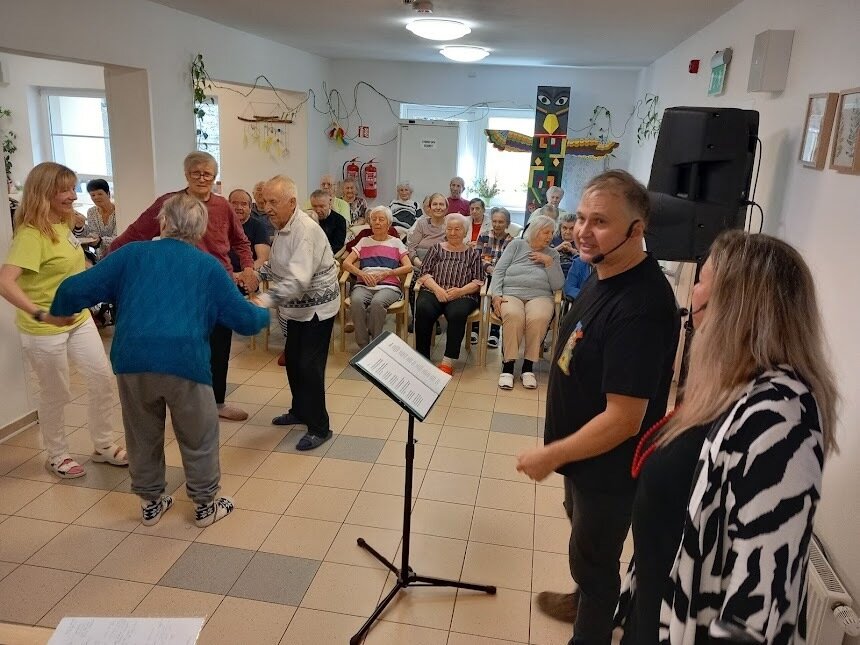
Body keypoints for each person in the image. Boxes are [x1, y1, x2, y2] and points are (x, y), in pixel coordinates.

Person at [615, 231, 838, 645]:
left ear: (734, 303)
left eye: (702, 280)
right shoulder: (730, 384)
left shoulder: (781, 413)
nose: (692, 292)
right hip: (659, 610)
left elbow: (762, 600)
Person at [515, 170, 680, 645]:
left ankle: (590, 625)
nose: (584, 231)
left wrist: (553, 454)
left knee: (596, 565)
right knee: (585, 542)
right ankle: (584, 596)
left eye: (601, 221)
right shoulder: (604, 271)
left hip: (608, 467)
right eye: (582, 217)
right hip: (582, 460)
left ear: (637, 229)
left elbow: (624, 419)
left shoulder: (641, 306)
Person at [51, 193, 270, 527]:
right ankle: (205, 507)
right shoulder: (207, 266)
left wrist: (60, 312)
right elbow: (246, 321)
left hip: (132, 362)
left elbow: (71, 291)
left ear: (164, 222)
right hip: (186, 364)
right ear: (200, 230)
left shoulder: (130, 255)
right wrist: (264, 311)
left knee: (142, 436)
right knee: (198, 436)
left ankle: (151, 503)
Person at [0, 162, 128, 479]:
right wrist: (42, 314)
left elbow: (72, 264)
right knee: (56, 392)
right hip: (44, 326)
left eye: (73, 189)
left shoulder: (61, 224)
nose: (73, 196)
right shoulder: (31, 235)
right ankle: (57, 454)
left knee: (102, 379)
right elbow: (5, 282)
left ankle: (103, 445)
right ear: (44, 193)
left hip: (77, 318)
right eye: (65, 190)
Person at [109, 151, 258, 422]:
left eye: (207, 174)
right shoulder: (169, 203)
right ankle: (183, 404)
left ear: (215, 176)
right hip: (183, 290)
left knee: (219, 348)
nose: (202, 178)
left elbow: (241, 242)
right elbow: (135, 234)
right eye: (196, 173)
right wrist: (112, 260)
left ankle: (216, 402)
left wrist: (248, 267)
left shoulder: (223, 207)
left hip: (219, 287)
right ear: (186, 174)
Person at [262, 175, 340, 451]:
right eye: (264, 201)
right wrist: (255, 274)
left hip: (316, 309)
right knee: (294, 361)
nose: (266, 208)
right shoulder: (283, 226)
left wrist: (263, 300)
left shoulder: (305, 230)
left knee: (309, 366)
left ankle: (320, 427)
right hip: (295, 309)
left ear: (292, 202)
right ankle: (299, 410)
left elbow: (297, 280)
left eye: (273, 202)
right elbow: (278, 265)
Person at [490, 215, 564, 390]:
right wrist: (496, 295)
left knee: (539, 318)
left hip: (540, 296)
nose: (550, 236)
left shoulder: (553, 254)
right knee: (513, 315)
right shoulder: (516, 245)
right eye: (546, 232)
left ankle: (528, 367)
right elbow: (499, 271)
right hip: (512, 293)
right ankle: (508, 366)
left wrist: (548, 263)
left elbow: (558, 285)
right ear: (535, 231)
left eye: (552, 233)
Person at [413, 214, 483, 375]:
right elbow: (424, 273)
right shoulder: (436, 249)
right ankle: (422, 356)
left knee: (457, 313)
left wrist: (460, 291)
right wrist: (437, 289)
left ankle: (448, 360)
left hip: (462, 295)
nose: (452, 233)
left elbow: (478, 281)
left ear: (465, 232)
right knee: (423, 308)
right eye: (449, 229)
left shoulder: (473, 254)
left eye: (457, 229)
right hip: (434, 290)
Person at [341, 205, 412, 348]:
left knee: (377, 303)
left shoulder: (396, 242)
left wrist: (388, 273)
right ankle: (363, 345)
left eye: (381, 219)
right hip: (364, 285)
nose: (377, 222)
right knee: (356, 301)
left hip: (389, 286)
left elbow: (408, 266)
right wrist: (362, 273)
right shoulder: (364, 241)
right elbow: (346, 263)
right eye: (374, 219)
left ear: (389, 223)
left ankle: (375, 343)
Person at [474, 206, 514, 348]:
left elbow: (511, 263)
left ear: (507, 224)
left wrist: (497, 272)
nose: (497, 224)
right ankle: (475, 328)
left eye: (501, 222)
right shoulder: (484, 236)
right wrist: (489, 268)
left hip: (501, 276)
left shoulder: (512, 241)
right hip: (483, 272)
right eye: (494, 221)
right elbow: (477, 257)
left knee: (499, 292)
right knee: (476, 289)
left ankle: (495, 331)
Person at [228, 188, 270, 274]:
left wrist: (243, 274)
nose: (239, 208)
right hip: (223, 274)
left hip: (247, 275)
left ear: (250, 208)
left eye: (244, 204)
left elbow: (263, 259)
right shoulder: (220, 225)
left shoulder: (258, 226)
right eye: (234, 203)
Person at [407, 192, 449, 266]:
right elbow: (411, 248)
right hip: (419, 264)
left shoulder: (450, 226)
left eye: (441, 204)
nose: (438, 207)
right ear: (430, 208)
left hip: (442, 266)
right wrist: (418, 263)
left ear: (446, 208)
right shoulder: (422, 224)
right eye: (435, 204)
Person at [81, 178, 117, 259]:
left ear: (108, 194)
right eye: (92, 195)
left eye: (100, 194)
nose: (96, 197)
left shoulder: (119, 212)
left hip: (118, 252)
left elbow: (118, 238)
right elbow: (93, 234)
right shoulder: (91, 212)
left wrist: (100, 240)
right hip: (100, 256)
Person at [309, 189, 347, 253]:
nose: (318, 210)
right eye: (314, 206)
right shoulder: (307, 219)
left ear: (329, 205)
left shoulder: (339, 220)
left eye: (321, 206)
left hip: (327, 255)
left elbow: (337, 247)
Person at [552, 211, 578, 276]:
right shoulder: (551, 239)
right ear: (560, 228)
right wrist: (558, 248)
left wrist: (572, 251)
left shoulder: (582, 242)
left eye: (571, 229)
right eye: (564, 228)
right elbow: (543, 255)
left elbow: (588, 262)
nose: (567, 232)